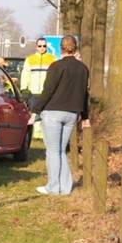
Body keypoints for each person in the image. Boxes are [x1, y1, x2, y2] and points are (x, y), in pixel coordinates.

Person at [31, 34, 90, 196]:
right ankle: (65, 187)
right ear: (75, 47)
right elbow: (85, 94)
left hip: (53, 113)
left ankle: (53, 187)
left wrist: (35, 111)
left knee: (52, 151)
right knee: (61, 151)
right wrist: (85, 117)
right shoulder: (83, 68)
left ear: (60, 48)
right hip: (72, 114)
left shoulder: (56, 66)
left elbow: (48, 91)